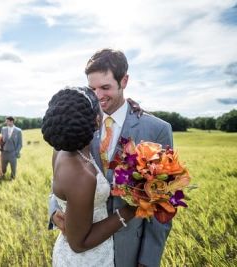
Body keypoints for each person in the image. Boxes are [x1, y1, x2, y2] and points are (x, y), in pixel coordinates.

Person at [49, 49, 174, 267]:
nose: (97, 96)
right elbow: (60, 177)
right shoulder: (76, 123)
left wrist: (148, 260)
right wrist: (53, 211)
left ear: (124, 80)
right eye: (92, 88)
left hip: (130, 249)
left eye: (105, 87)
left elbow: (163, 202)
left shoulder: (157, 130)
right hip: (82, 250)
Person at [42, 87, 137, 266]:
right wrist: (129, 211)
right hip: (87, 259)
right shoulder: (82, 175)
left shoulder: (60, 150)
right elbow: (79, 243)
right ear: (97, 121)